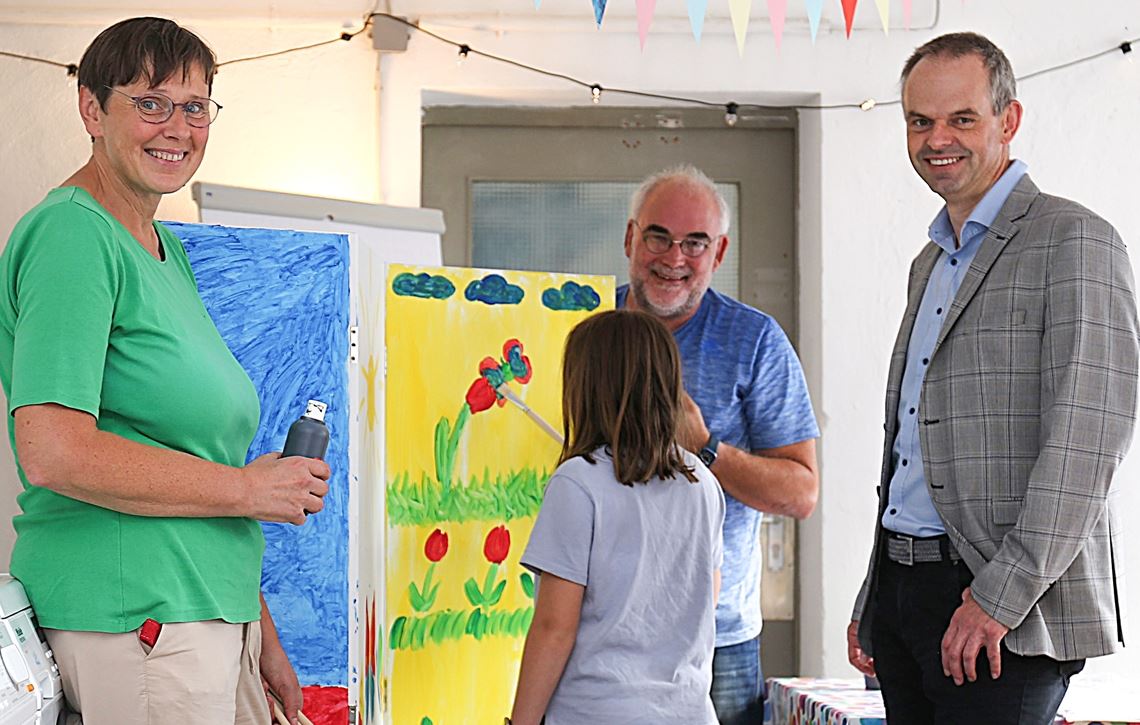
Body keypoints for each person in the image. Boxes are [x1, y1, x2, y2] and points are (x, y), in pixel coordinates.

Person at [0, 17, 331, 725]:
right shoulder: (72, 235)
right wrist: (248, 487)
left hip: (202, 611)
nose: (177, 127)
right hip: (139, 613)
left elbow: (195, 463)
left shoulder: (161, 248)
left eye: (195, 107)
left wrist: (258, 627)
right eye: (150, 103)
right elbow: (54, 450)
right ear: (91, 109)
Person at [847, 32, 1138, 723]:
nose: (936, 139)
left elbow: (1086, 446)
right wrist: (875, 593)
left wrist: (997, 598)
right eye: (920, 121)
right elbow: (910, 447)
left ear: (1009, 120)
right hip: (904, 591)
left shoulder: (1075, 239)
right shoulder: (929, 262)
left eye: (961, 118)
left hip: (1003, 610)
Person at [618, 164, 820, 723]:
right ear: (631, 237)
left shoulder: (755, 341)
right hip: (594, 624)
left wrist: (706, 448)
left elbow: (801, 493)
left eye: (695, 243)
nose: (673, 257)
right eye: (658, 236)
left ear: (719, 251)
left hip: (716, 637)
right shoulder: (583, 324)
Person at [509, 309, 726, 725]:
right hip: (689, 712)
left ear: (587, 387)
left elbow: (555, 627)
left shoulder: (578, 481)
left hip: (595, 711)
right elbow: (704, 601)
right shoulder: (702, 480)